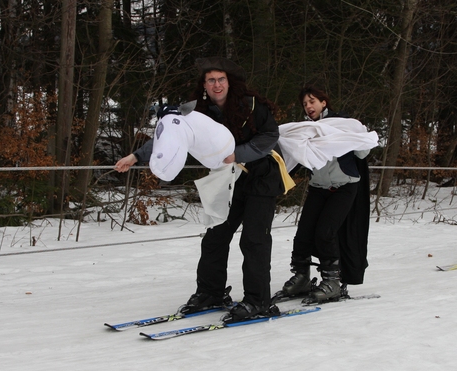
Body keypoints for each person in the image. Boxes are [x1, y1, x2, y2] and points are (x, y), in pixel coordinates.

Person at [114, 57, 285, 322]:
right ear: (204, 85)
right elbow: (170, 137)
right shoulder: (194, 113)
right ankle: (210, 293)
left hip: (261, 177)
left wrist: (237, 153)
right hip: (227, 179)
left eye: (221, 79)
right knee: (215, 236)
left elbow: (270, 136)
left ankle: (258, 300)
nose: (217, 85)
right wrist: (136, 157)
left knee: (254, 239)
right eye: (211, 80)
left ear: (229, 82)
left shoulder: (252, 105)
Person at [278, 84, 374, 303]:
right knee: (303, 233)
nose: (308, 106)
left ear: (324, 102)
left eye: (312, 101)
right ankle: (301, 277)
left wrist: (357, 134)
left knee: (325, 231)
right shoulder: (304, 131)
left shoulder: (342, 124)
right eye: (304, 104)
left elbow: (363, 151)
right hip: (319, 188)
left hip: (344, 187)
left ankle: (332, 281)